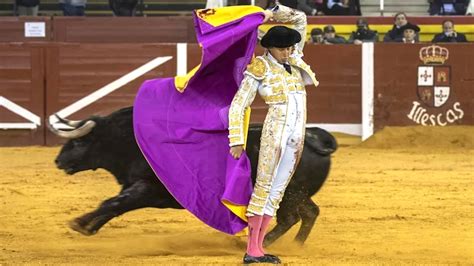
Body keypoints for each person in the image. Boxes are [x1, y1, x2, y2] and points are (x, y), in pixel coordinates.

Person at [228, 4, 319, 264]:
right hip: (275, 135)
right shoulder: (260, 67)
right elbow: (239, 104)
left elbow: (300, 18)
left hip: (296, 137)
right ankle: (251, 250)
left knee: (277, 193)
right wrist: (237, 139)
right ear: (269, 47)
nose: (288, 52)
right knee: (263, 190)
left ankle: (258, 248)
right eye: (283, 48)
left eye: (290, 47)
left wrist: (272, 12)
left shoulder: (294, 59)